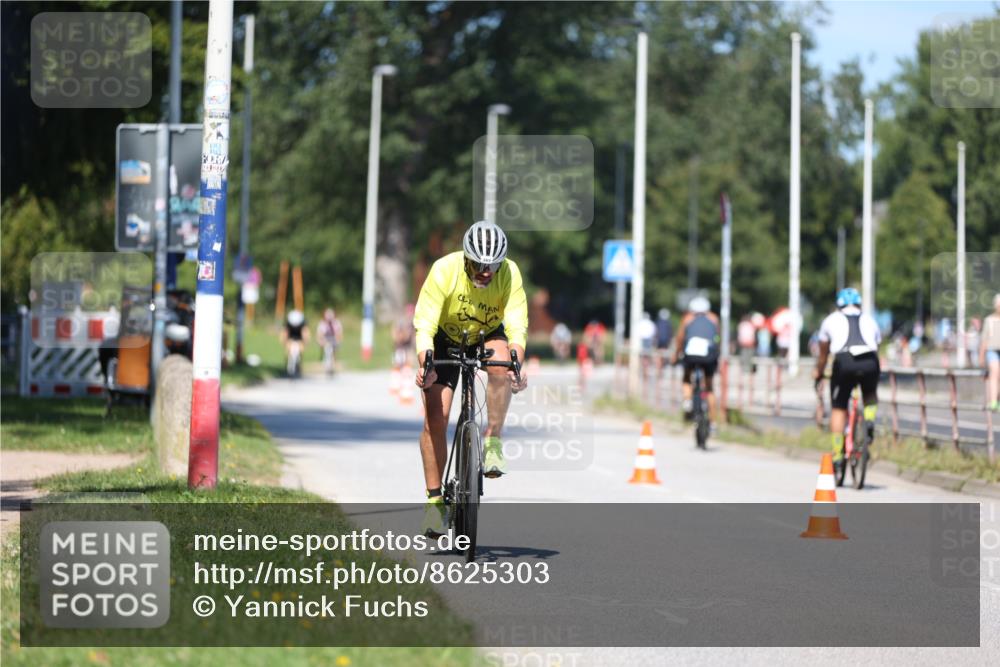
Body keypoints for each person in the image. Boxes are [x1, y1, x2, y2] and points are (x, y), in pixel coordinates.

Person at [413, 221, 529, 535]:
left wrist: (516, 363)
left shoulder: (509, 273)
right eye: (478, 263)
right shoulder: (444, 271)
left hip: (487, 333)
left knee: (501, 364)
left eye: (492, 264)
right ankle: (435, 502)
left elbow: (517, 324)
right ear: (466, 258)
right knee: (435, 420)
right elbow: (424, 324)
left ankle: (492, 438)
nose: (485, 270)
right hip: (444, 338)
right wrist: (426, 362)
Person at [812, 288, 882, 477]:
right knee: (870, 394)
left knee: (839, 408)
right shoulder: (870, 319)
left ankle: (837, 455)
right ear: (858, 304)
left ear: (839, 304)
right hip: (869, 360)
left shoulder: (830, 320)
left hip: (844, 361)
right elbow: (877, 343)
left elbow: (824, 353)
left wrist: (818, 372)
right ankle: (868, 420)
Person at [671, 296, 720, 423]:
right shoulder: (714, 319)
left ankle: (687, 401)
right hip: (709, 354)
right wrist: (717, 355)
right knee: (709, 388)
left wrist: (676, 355)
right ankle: (713, 421)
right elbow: (717, 339)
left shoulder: (687, 319)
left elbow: (680, 339)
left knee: (687, 377)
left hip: (691, 355)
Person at [980, 294, 1000, 412]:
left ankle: (997, 399)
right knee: (994, 373)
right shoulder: (989, 320)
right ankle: (993, 401)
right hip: (992, 351)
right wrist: (981, 356)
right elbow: (984, 340)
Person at [281, 309, 309, 377]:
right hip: (291, 337)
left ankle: (299, 365)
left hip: (299, 338)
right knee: (288, 350)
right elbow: (284, 333)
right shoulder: (288, 323)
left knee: (301, 350)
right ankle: (287, 364)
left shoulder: (303, 324)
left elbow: (305, 333)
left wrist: (305, 342)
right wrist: (284, 342)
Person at [316, 308, 343, 376]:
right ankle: (326, 364)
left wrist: (337, 341)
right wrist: (321, 342)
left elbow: (339, 334)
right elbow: (319, 334)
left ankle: (332, 366)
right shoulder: (322, 323)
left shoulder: (336, 323)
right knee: (326, 349)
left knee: (333, 351)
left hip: (334, 339)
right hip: (325, 339)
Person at [392, 304, 416, 370]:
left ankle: (406, 371)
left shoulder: (414, 322)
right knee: (398, 363)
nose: (410, 316)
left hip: (409, 346)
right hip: (400, 346)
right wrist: (400, 338)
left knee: (409, 362)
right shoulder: (401, 321)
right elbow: (395, 332)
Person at [655, 308, 673, 374]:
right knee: (664, 355)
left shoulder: (658, 323)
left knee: (659, 355)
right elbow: (670, 334)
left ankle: (659, 368)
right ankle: (662, 367)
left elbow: (656, 333)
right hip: (665, 343)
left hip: (659, 342)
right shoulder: (668, 323)